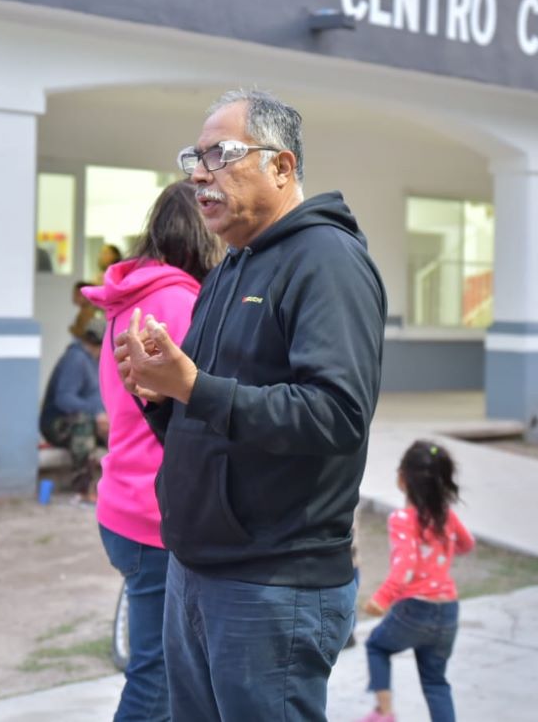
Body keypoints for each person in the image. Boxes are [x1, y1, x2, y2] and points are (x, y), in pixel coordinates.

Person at [116, 88, 387, 721]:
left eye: (221, 155)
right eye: (195, 158)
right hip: (197, 566)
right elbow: (208, 414)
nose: (199, 174)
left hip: (272, 583)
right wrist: (158, 392)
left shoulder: (327, 261)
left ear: (282, 166)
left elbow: (337, 415)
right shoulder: (230, 268)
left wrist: (193, 387)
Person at [82, 180, 221, 722]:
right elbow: (198, 409)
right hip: (153, 512)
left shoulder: (132, 297)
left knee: (168, 673)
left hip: (123, 499)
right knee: (157, 678)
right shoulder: (180, 302)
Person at [359, 441, 474, 722]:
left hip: (416, 608)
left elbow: (405, 568)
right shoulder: (445, 515)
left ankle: (384, 713)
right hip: (448, 610)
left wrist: (382, 598)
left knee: (377, 646)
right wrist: (444, 549)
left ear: (402, 478)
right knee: (436, 682)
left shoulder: (402, 519)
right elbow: (467, 544)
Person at [39, 318, 110, 501]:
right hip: (58, 424)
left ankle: (120, 486)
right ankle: (83, 490)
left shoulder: (94, 361)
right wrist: (97, 414)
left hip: (87, 421)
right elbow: (64, 399)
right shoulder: (76, 359)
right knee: (84, 423)